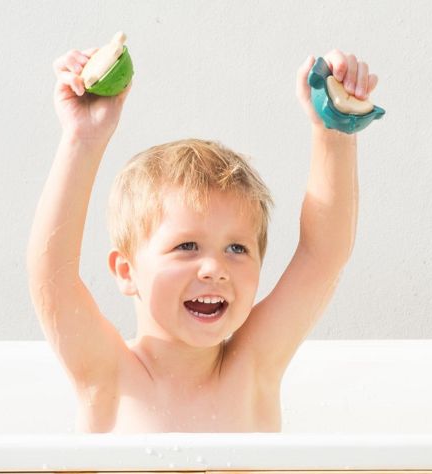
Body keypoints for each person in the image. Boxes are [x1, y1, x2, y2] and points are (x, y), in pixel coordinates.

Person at [27, 44, 379, 433]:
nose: (215, 268)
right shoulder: (108, 373)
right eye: (186, 246)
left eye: (236, 249)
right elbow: (52, 276)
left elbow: (323, 255)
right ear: (126, 271)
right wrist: (82, 139)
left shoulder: (253, 365)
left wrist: (333, 132)